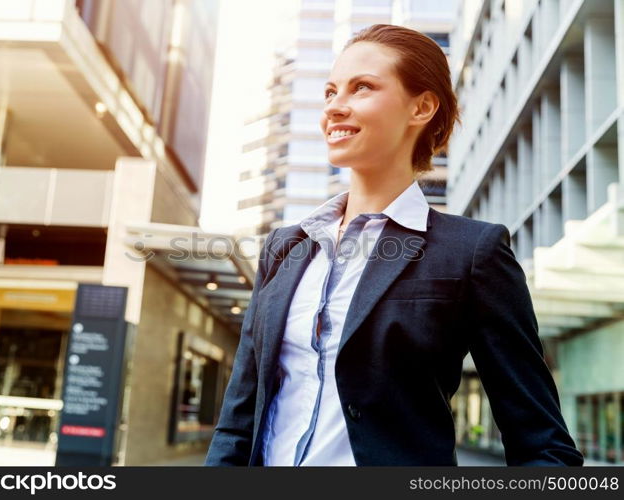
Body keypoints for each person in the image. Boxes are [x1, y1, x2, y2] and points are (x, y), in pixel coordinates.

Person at [204, 24, 584, 466]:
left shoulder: (472, 252)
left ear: (421, 107)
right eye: (330, 92)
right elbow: (237, 424)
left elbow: (543, 446)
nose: (335, 108)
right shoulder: (284, 248)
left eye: (361, 88)